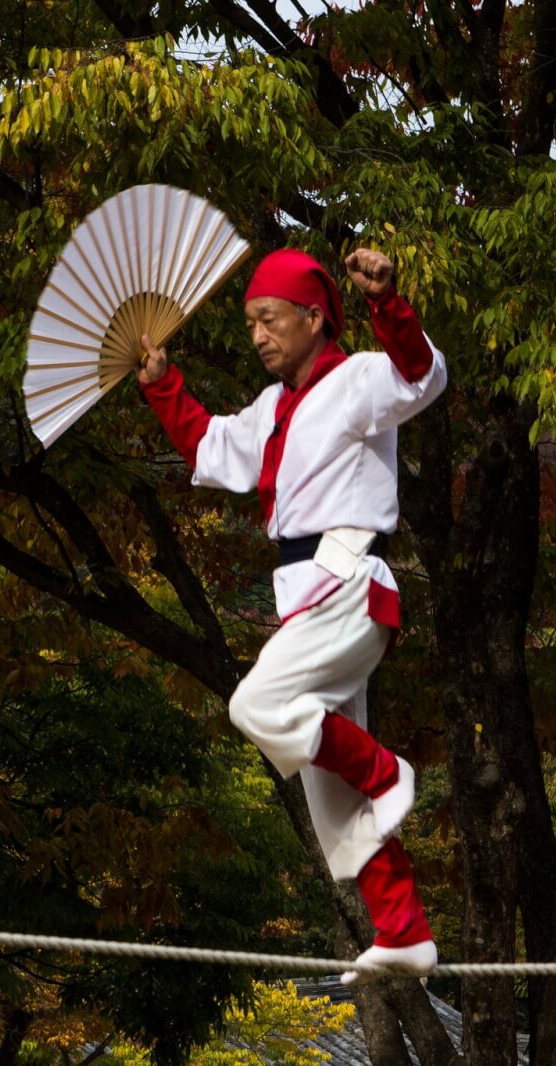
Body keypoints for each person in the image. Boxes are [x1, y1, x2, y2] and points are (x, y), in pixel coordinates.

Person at [135, 246, 446, 983]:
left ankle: (383, 769)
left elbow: (420, 375)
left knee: (259, 706)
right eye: (250, 324)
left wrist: (388, 304)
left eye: (270, 319)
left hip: (346, 584)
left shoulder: (360, 379)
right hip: (305, 602)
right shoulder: (273, 408)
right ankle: (404, 930)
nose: (258, 336)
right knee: (330, 800)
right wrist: (160, 384)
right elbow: (213, 450)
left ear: (314, 317)